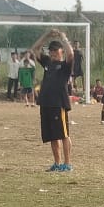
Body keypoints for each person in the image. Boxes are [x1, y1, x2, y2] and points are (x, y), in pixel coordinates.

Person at [31, 29, 74, 172]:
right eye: (51, 51)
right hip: (45, 103)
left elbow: (71, 54)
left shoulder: (65, 66)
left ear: (61, 51)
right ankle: (57, 163)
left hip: (58, 103)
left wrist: (63, 38)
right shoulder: (48, 63)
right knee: (52, 135)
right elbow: (35, 49)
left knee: (63, 134)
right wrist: (46, 35)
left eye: (56, 50)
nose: (53, 53)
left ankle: (67, 164)